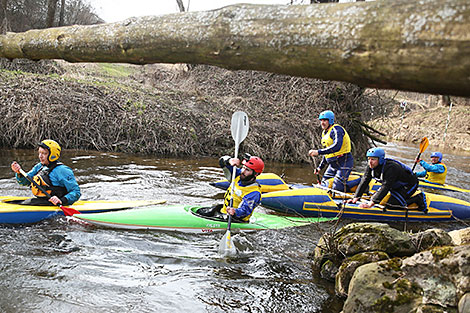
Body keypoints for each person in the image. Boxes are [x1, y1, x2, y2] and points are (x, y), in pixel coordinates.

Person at [348, 147, 427, 213]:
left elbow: (386, 186)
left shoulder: (391, 168)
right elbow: (365, 180)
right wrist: (356, 197)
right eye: (369, 159)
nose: (370, 162)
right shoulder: (371, 166)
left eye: (373, 159)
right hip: (395, 185)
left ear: (380, 159)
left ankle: (418, 198)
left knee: (391, 205)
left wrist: (370, 204)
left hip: (409, 184)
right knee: (384, 200)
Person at [10, 139, 81, 206]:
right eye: (39, 153)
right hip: (42, 201)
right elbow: (25, 182)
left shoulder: (63, 170)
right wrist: (19, 172)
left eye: (44, 153)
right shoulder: (39, 167)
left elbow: (76, 192)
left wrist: (62, 200)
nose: (40, 156)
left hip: (56, 204)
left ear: (52, 155)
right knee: (13, 202)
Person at [199, 154, 264, 222]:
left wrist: (235, 211)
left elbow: (245, 211)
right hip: (223, 212)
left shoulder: (254, 192)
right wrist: (230, 160)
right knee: (200, 212)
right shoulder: (237, 175)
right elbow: (222, 162)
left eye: (247, 170)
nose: (243, 171)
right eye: (243, 167)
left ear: (255, 174)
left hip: (235, 219)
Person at [308, 110, 354, 192]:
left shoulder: (336, 129)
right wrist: (320, 167)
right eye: (321, 120)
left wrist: (318, 152)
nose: (322, 123)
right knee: (324, 185)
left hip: (344, 161)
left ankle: (359, 184)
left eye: (325, 120)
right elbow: (327, 153)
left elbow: (337, 146)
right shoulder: (324, 133)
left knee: (337, 187)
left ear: (330, 121)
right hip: (333, 164)